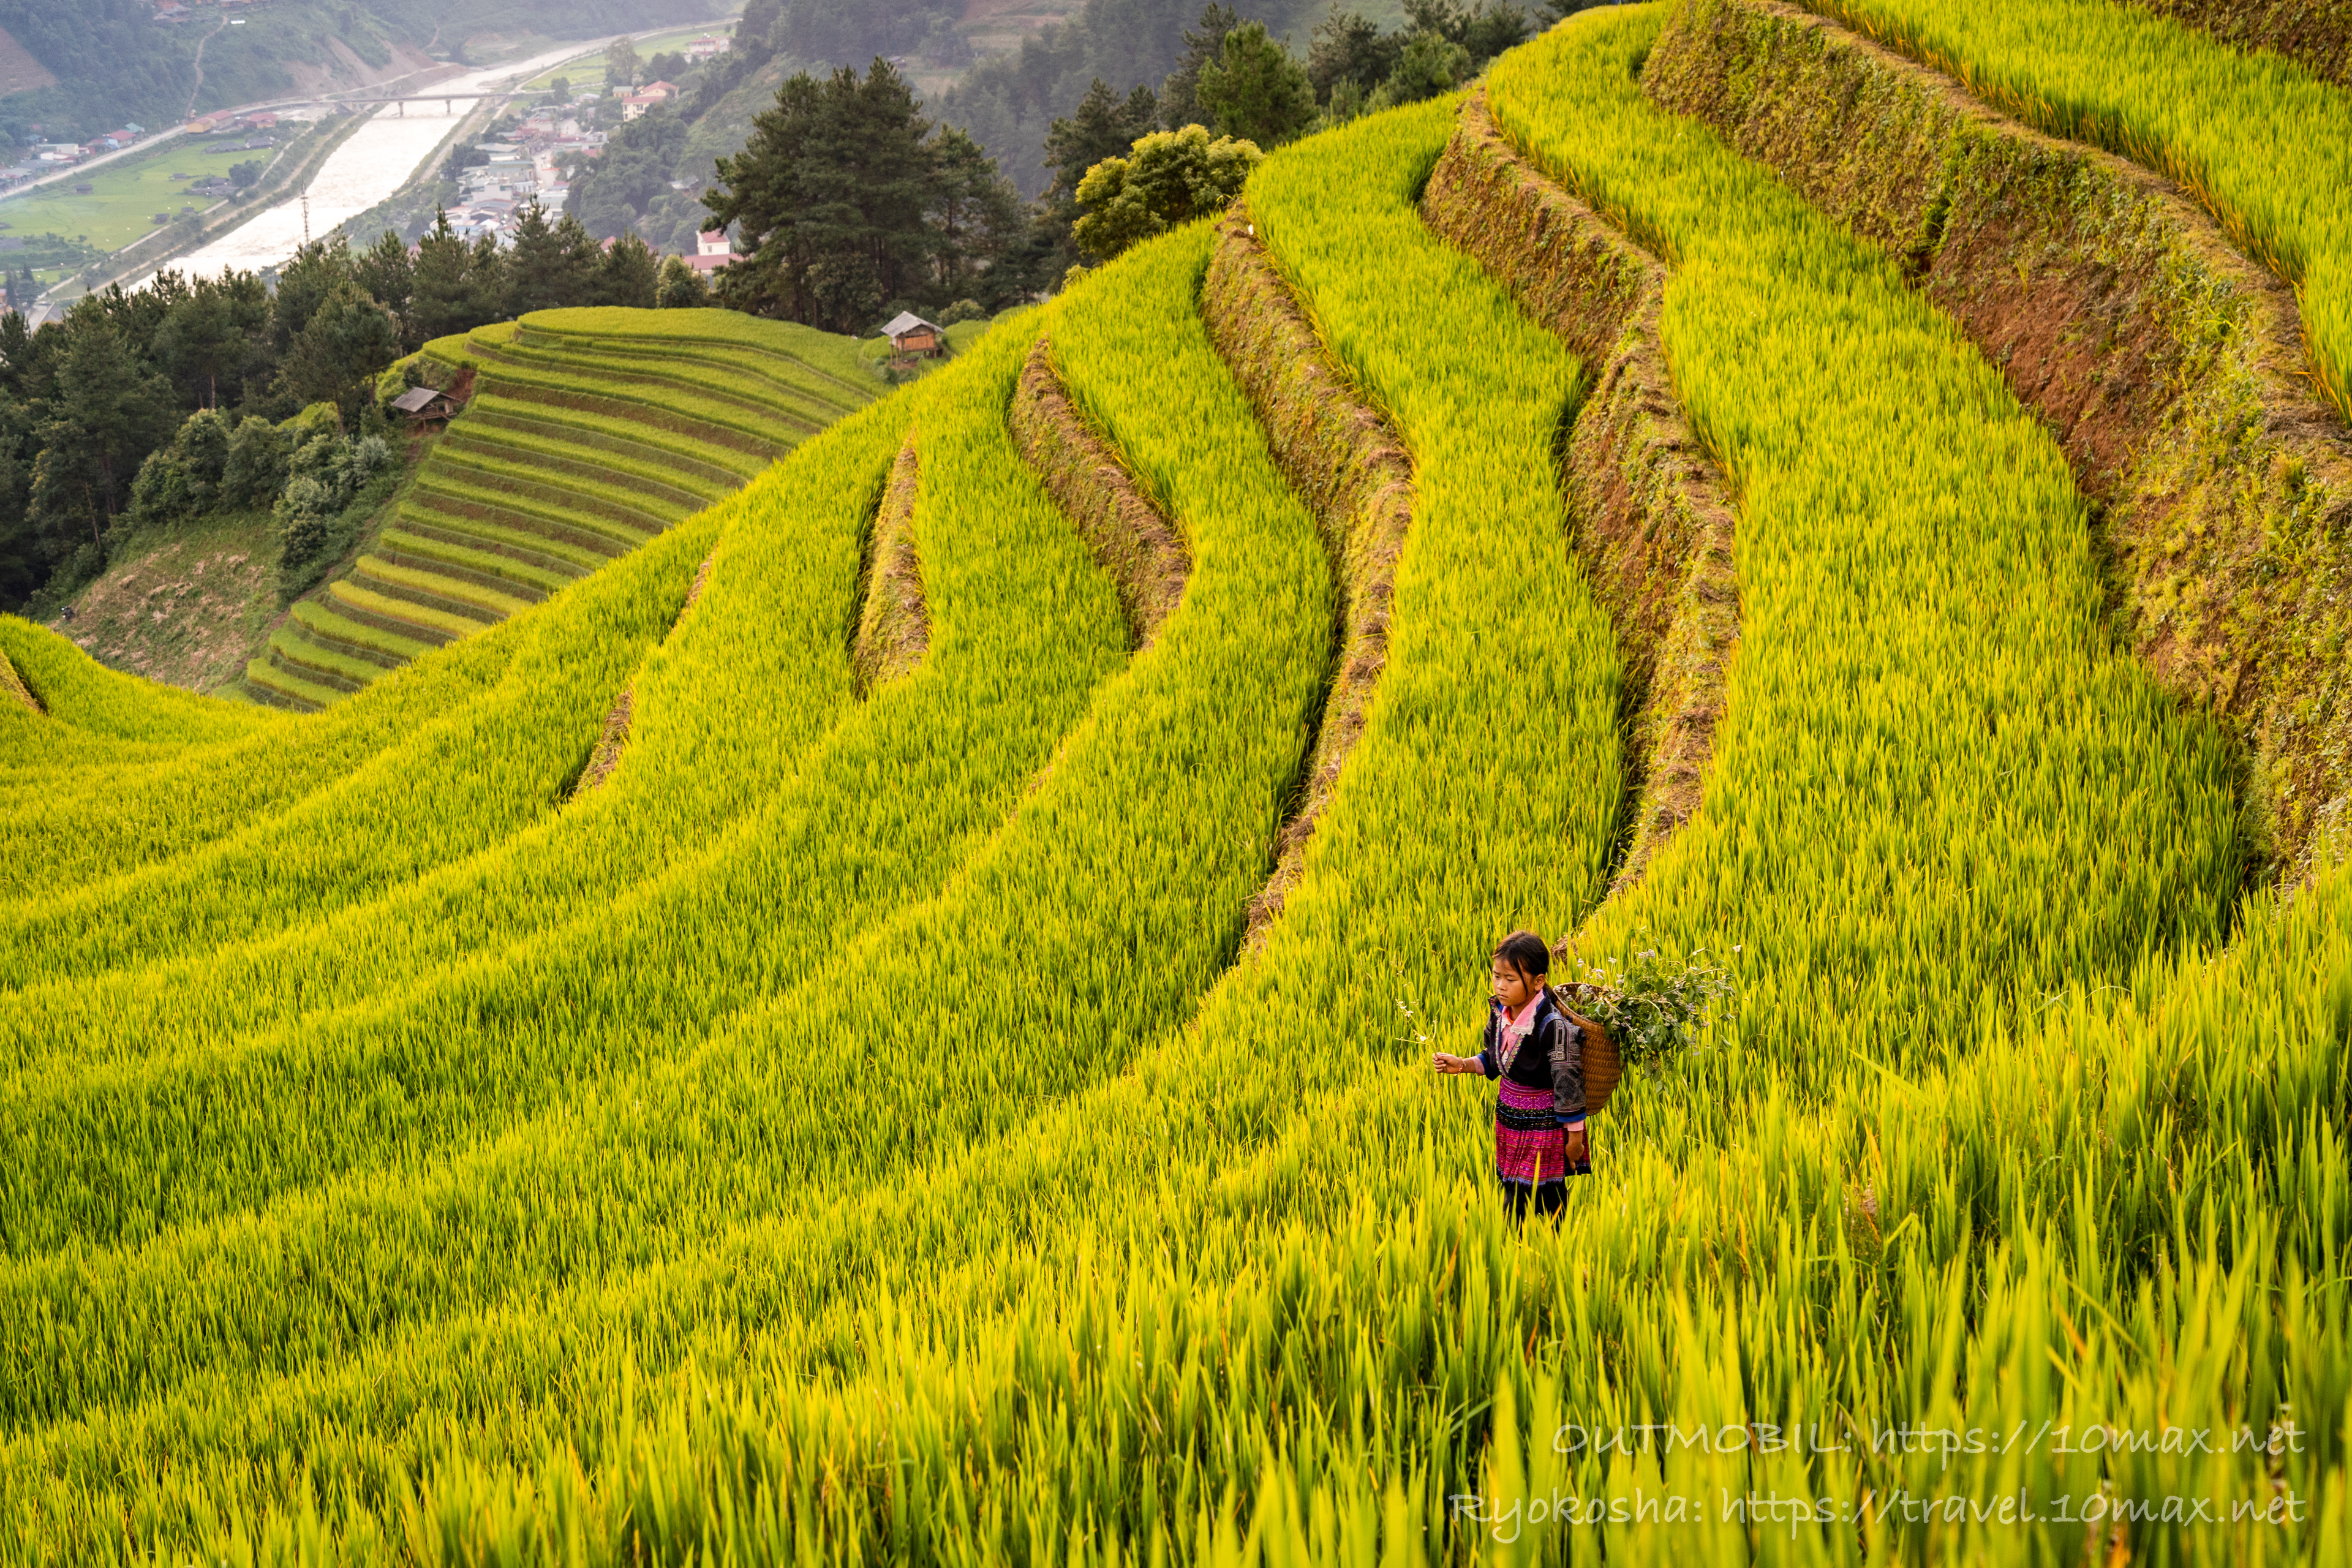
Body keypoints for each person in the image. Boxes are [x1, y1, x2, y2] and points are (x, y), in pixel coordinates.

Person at [1433, 929, 1589, 1218]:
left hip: (1544, 1124)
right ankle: (1521, 1253)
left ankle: (1548, 1251)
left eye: (1510, 979)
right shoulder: (1501, 1013)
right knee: (1514, 1188)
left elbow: (1569, 1086)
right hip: (1510, 1120)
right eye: (1496, 977)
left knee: (1544, 1197)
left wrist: (1575, 1140)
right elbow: (1495, 1060)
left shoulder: (1552, 1026)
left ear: (1538, 981)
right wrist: (1464, 1064)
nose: (1500, 986)